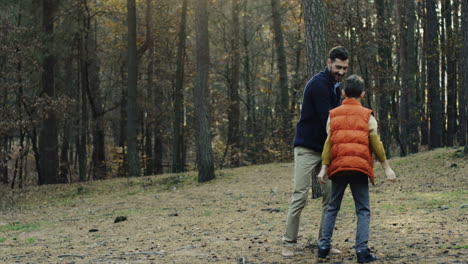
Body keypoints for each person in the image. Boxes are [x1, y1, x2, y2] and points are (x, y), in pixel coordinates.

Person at [317, 75, 396, 263]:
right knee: (363, 210)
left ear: (343, 93)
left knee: (332, 208)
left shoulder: (333, 114)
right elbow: (376, 143)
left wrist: (323, 168)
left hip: (339, 167)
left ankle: (323, 247)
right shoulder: (368, 115)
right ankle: (362, 252)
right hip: (359, 168)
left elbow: (329, 142)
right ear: (363, 94)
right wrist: (386, 168)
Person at [282, 46, 349, 258]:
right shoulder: (319, 84)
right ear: (329, 62)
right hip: (306, 148)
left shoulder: (336, 86)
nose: (341, 71)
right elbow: (328, 120)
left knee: (330, 197)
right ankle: (289, 243)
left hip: (326, 149)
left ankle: (324, 243)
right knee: (300, 195)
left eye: (344, 68)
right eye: (338, 67)